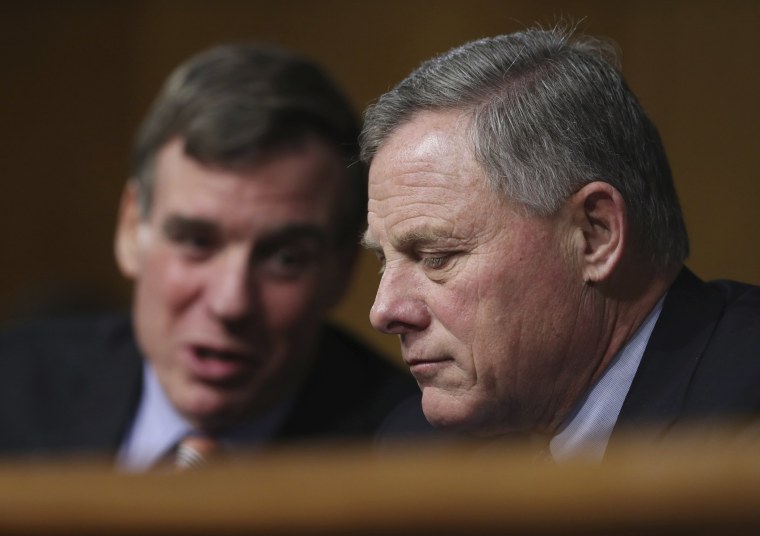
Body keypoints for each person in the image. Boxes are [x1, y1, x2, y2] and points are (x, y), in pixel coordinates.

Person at [0, 44, 417, 470]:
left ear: (342, 268)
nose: (230, 303)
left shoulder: (411, 457)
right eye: (197, 243)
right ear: (130, 230)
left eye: (286, 259)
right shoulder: (11, 388)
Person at [360, 27, 760, 462]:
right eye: (385, 259)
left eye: (436, 257)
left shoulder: (744, 414)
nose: (384, 311)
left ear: (595, 235)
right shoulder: (415, 450)